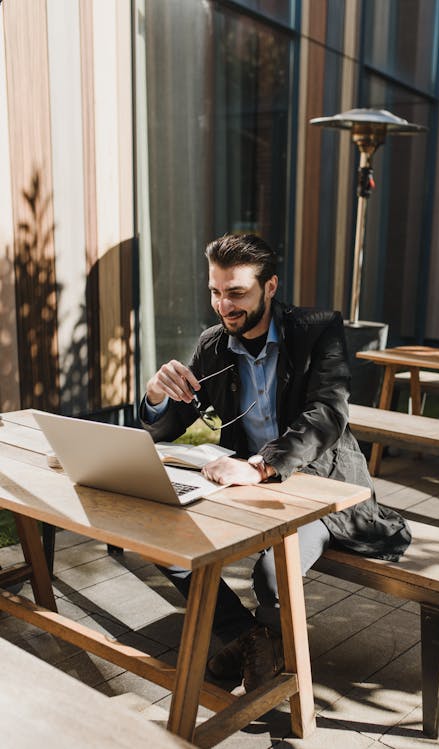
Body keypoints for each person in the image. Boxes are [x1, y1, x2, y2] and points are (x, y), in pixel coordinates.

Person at [140, 233, 411, 691]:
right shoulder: (214, 345)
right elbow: (170, 424)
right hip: (246, 487)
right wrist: (155, 394)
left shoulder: (317, 329)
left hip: (320, 484)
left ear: (270, 287)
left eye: (237, 293)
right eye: (215, 292)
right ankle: (252, 641)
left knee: (271, 575)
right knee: (161, 538)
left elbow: (327, 414)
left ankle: (258, 652)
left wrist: (261, 465)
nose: (224, 306)